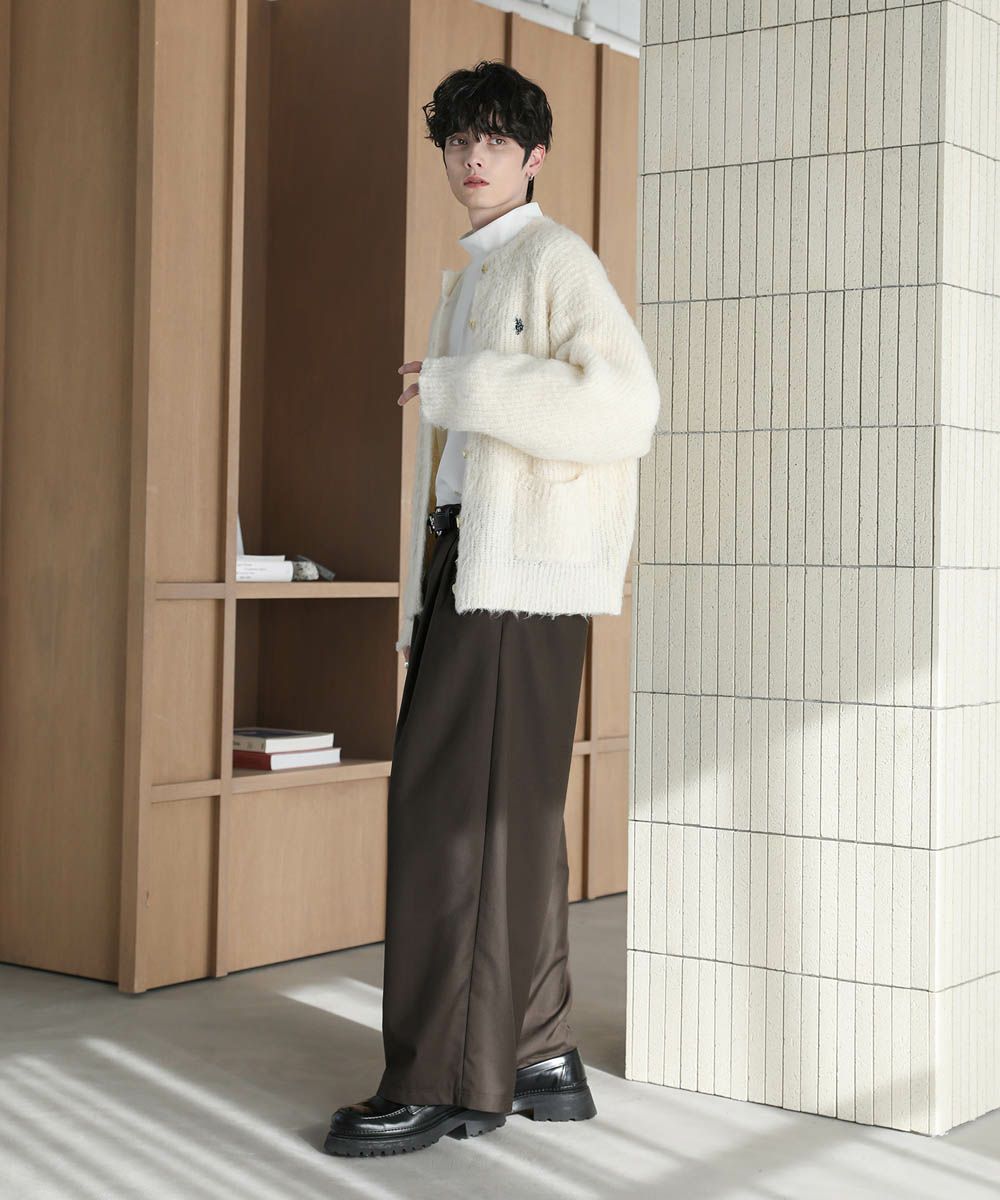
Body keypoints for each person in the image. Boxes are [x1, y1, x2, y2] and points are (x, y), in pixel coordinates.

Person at [324, 60, 660, 1158]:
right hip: (476, 566)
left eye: (497, 141)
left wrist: (462, 384)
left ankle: (439, 1079)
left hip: (517, 582)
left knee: (451, 818)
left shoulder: (554, 259)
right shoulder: (476, 272)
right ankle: (536, 1051)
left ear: (534, 157)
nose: (474, 158)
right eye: (459, 141)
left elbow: (626, 406)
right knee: (508, 820)